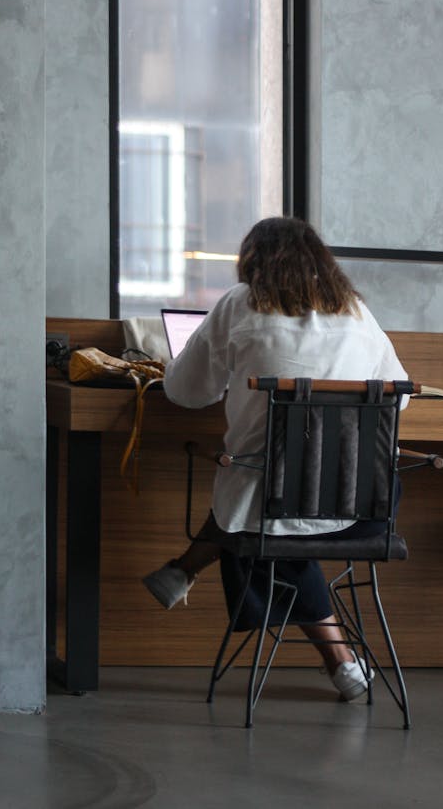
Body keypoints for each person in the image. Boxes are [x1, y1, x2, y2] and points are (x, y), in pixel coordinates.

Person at [142, 216, 410, 701]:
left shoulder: (240, 304)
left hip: (272, 504)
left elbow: (185, 392)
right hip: (368, 505)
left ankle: (338, 658)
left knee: (261, 512)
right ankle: (183, 570)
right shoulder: (354, 309)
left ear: (252, 262)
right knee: (269, 502)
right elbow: (400, 397)